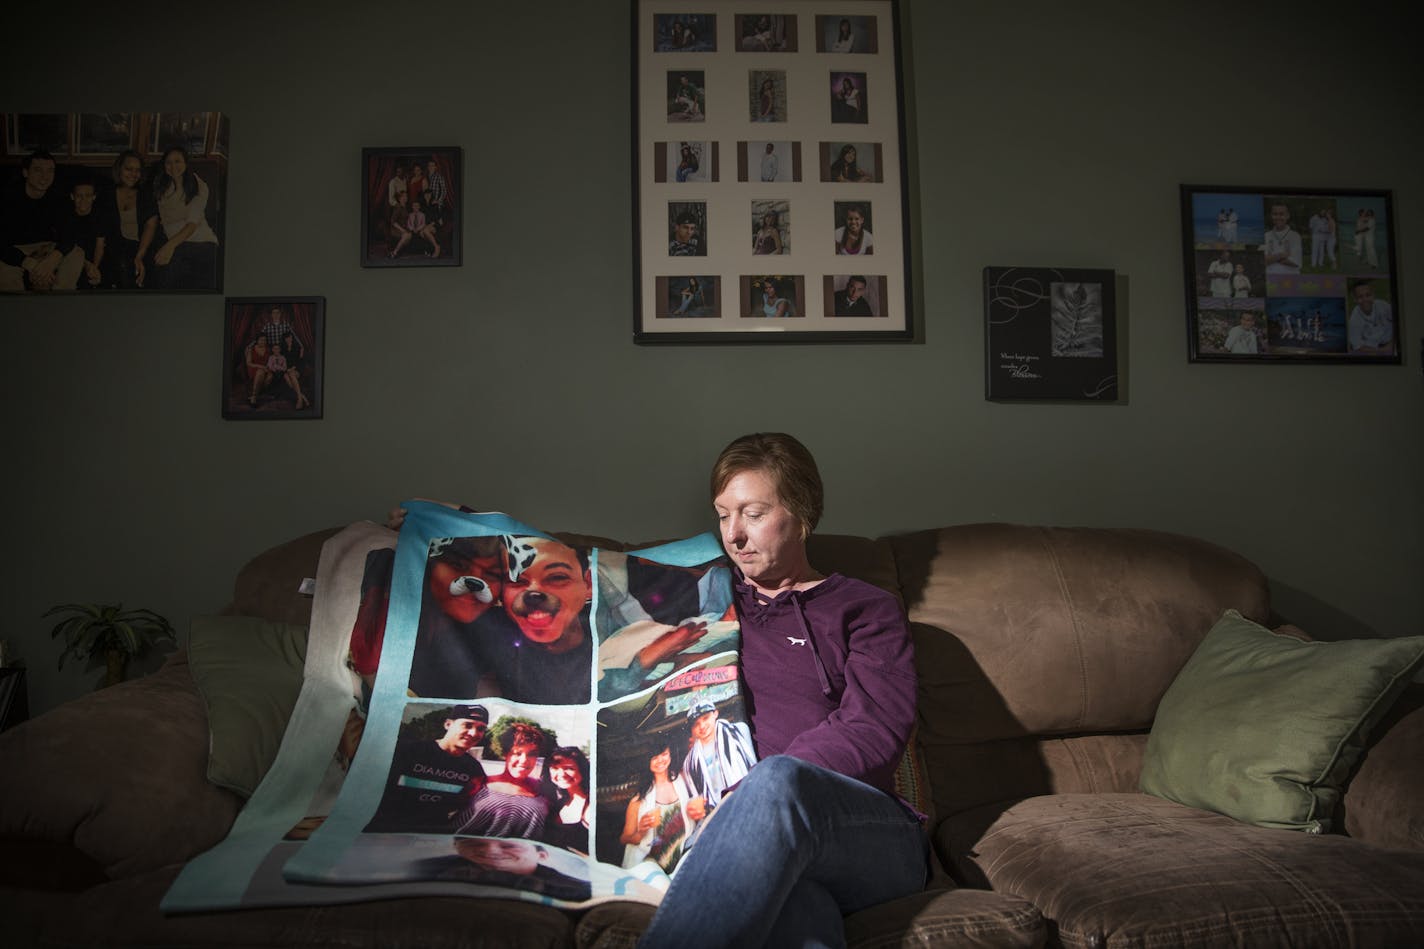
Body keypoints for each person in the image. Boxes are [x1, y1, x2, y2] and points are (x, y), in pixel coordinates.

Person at [636, 433, 926, 949]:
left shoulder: (867, 609)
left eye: (752, 513)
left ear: (803, 514)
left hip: (866, 832)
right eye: (723, 515)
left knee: (777, 781)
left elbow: (875, 728)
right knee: (798, 911)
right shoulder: (713, 600)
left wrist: (754, 793)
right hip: (751, 845)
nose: (734, 536)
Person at [482, 535, 594, 704]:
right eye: (517, 580)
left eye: (557, 577)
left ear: (589, 584)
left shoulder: (613, 633)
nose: (534, 593)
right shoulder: (486, 631)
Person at [365, 705, 490, 833]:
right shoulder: (406, 751)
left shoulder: (474, 769)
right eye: (467, 725)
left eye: (481, 728)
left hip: (431, 836)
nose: (473, 733)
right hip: (382, 830)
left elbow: (468, 806)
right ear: (448, 724)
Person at [0, 149, 83, 292]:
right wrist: (30, 264)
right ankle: (17, 309)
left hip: (47, 247)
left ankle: (61, 301)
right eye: (38, 170)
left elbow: (70, 234)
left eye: (50, 171)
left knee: (77, 253)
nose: (45, 177)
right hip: (15, 249)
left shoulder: (59, 197)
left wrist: (52, 261)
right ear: (26, 172)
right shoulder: (8, 197)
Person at [454, 721, 555, 839]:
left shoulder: (543, 790)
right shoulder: (479, 783)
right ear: (505, 754)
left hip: (521, 855)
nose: (524, 760)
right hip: (461, 850)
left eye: (531, 754)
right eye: (517, 753)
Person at [411, 837, 591, 902]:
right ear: (457, 847)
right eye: (475, 842)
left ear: (542, 855)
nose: (490, 851)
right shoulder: (421, 871)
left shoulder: (579, 891)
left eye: (508, 845)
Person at [678, 700, 755, 848]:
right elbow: (695, 796)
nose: (702, 726)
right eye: (696, 724)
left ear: (715, 714)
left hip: (746, 801)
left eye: (705, 718)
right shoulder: (690, 762)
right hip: (716, 814)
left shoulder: (737, 732)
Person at [621, 740, 697, 873]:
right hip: (651, 865)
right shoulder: (639, 799)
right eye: (654, 758)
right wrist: (641, 832)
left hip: (681, 857)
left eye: (664, 754)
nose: (660, 760)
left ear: (670, 754)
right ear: (647, 762)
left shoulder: (681, 779)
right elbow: (625, 838)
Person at [150, 146, 220, 289]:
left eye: (178, 161)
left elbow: (192, 224)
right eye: (168, 162)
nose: (173, 166)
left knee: (171, 264)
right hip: (175, 242)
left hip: (201, 241)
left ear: (186, 163)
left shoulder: (198, 185)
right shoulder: (161, 185)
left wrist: (169, 247)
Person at [97, 150, 159, 289]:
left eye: (137, 170)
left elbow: (151, 226)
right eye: (128, 169)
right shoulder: (107, 193)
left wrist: (139, 256)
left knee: (132, 268)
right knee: (121, 265)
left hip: (142, 245)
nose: (133, 174)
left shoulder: (146, 194)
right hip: (117, 246)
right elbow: (100, 230)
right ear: (119, 169)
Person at [56, 177, 105, 289]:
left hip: (94, 259)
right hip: (71, 257)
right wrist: (88, 266)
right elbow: (68, 247)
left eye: (88, 196)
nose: (83, 200)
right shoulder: (65, 217)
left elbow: (100, 245)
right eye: (79, 196)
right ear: (72, 196)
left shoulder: (99, 216)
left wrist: (94, 267)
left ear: (94, 197)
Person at [543, 746, 590, 854]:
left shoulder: (590, 806)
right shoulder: (559, 802)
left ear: (582, 770)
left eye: (569, 768)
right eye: (555, 768)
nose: (562, 774)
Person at [1347, 280, 1395, 355]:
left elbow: (1399, 322)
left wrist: (1392, 343)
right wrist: (1384, 350)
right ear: (1355, 300)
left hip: (1391, 342)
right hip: (1374, 350)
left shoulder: (1383, 305)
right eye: (1360, 297)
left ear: (1373, 295)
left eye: (1368, 295)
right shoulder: (1354, 321)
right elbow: (1358, 347)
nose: (1365, 299)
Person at [1261, 202, 1301, 275]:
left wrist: (1271, 258)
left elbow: (1296, 262)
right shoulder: (1265, 236)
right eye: (1275, 214)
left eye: (1281, 214)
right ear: (1271, 215)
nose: (1278, 217)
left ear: (1287, 216)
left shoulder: (1295, 236)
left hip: (1291, 278)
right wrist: (1281, 255)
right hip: (1270, 279)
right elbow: (1262, 261)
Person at [423, 159, 450, 226]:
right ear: (428, 167)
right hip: (428, 201)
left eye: (432, 166)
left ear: (435, 167)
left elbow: (444, 190)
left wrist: (438, 200)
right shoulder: (426, 177)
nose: (431, 167)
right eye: (429, 165)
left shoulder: (439, 176)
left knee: (437, 221)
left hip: (436, 202)